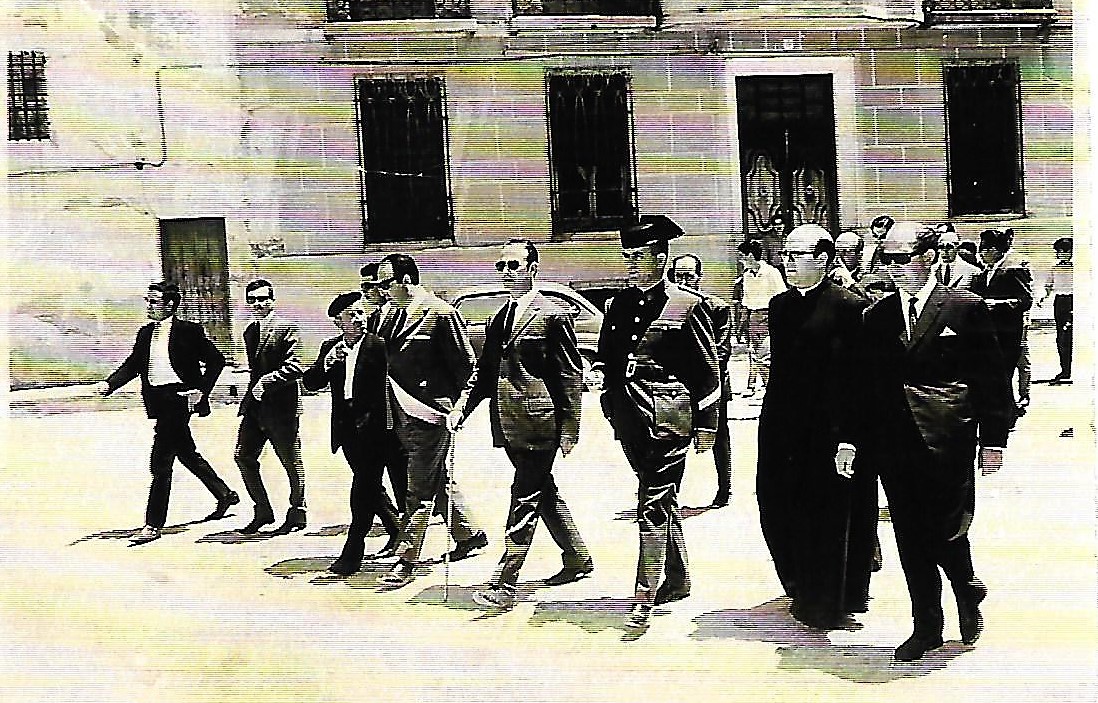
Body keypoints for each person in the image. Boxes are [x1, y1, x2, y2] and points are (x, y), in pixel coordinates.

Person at [864, 222, 1013, 661]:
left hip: (949, 438)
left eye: (901, 258)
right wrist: (852, 440)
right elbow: (863, 384)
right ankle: (927, 624)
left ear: (928, 257)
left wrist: (994, 440)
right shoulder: (877, 316)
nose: (892, 267)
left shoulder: (964, 307)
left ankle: (966, 589)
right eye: (886, 259)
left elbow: (991, 377)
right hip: (895, 442)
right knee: (909, 533)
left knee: (948, 527)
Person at [448, 239, 592, 609]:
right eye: (501, 266)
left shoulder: (553, 315)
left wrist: (570, 429)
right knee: (542, 490)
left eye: (513, 265)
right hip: (508, 423)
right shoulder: (499, 317)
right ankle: (578, 557)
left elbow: (570, 375)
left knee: (524, 497)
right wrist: (461, 408)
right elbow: (485, 373)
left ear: (532, 268)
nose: (506, 272)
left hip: (540, 423)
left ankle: (504, 581)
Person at [595, 215, 721, 630]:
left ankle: (644, 595)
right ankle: (678, 578)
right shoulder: (618, 305)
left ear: (661, 258)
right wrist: (601, 381)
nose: (630, 264)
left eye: (639, 257)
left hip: (669, 418)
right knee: (660, 499)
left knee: (650, 504)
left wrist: (707, 426)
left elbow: (708, 373)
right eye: (626, 256)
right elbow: (607, 357)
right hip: (628, 416)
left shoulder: (687, 305)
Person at [755, 224, 877, 629]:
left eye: (797, 255)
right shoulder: (780, 306)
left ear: (823, 259)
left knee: (828, 514)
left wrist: (849, 437)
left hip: (831, 427)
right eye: (785, 255)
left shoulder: (850, 306)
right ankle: (798, 583)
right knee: (776, 503)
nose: (787, 263)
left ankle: (829, 600)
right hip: (784, 424)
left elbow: (858, 378)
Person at [95, 281, 238, 544]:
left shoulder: (189, 331)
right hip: (158, 401)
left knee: (160, 463)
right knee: (186, 453)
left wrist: (201, 391)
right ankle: (224, 494)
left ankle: (153, 525)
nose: (148, 306)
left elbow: (216, 360)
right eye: (148, 301)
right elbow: (133, 365)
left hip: (180, 399)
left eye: (153, 301)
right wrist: (110, 384)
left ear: (170, 305)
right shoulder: (145, 333)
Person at [376, 254, 487, 589]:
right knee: (436, 477)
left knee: (418, 488)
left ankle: (407, 559)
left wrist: (457, 407)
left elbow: (467, 367)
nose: (380, 290)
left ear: (407, 280)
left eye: (385, 283)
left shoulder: (441, 313)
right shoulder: (390, 314)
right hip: (399, 412)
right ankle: (469, 534)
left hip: (430, 414)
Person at [303, 292, 400, 575]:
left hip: (377, 429)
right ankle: (397, 531)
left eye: (361, 312)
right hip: (347, 430)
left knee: (363, 489)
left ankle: (352, 552)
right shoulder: (330, 347)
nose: (359, 319)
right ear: (338, 322)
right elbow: (311, 383)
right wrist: (327, 363)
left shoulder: (378, 345)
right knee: (370, 486)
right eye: (351, 315)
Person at [233, 279, 307, 535]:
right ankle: (262, 510)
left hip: (282, 408)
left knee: (291, 462)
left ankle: (297, 513)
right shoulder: (249, 331)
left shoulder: (287, 327)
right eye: (252, 300)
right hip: (256, 408)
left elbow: (296, 366)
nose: (258, 304)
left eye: (263, 299)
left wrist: (266, 382)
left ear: (272, 300)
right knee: (243, 456)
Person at [670, 253, 734, 508]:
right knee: (673, 439)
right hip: (678, 387)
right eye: (678, 276)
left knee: (719, 436)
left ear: (699, 277)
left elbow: (722, 351)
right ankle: (668, 492)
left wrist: (702, 377)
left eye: (689, 276)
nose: (683, 281)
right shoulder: (669, 306)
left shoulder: (717, 307)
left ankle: (724, 489)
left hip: (712, 386)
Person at [360, 262, 409, 517]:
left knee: (408, 460)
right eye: (364, 287)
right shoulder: (372, 319)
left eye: (371, 286)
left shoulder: (400, 314)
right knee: (392, 458)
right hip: (380, 405)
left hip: (402, 402)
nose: (368, 291)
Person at [969, 228, 1033, 418]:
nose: (981, 254)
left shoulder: (1013, 271)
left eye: (984, 250)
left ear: (995, 250)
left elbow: (1025, 300)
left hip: (1007, 334)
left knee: (1005, 374)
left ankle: (1007, 415)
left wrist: (999, 304)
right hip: (989, 333)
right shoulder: (983, 274)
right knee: (995, 376)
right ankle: (1007, 412)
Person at [736, 240, 786, 397]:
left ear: (751, 256)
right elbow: (746, 302)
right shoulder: (747, 276)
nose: (741, 261)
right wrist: (741, 325)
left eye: (742, 257)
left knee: (764, 356)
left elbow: (782, 298)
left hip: (769, 316)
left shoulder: (771, 272)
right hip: (754, 318)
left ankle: (773, 389)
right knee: (754, 353)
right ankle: (753, 386)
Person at [1039, 237, 1073, 383]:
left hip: (1074, 300)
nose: (1063, 254)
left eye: (1066, 251)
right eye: (1060, 251)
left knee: (1069, 336)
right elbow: (1049, 285)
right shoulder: (1054, 268)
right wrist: (1043, 297)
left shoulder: (1077, 268)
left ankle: (1073, 369)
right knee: (1061, 338)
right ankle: (1065, 370)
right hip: (1060, 302)